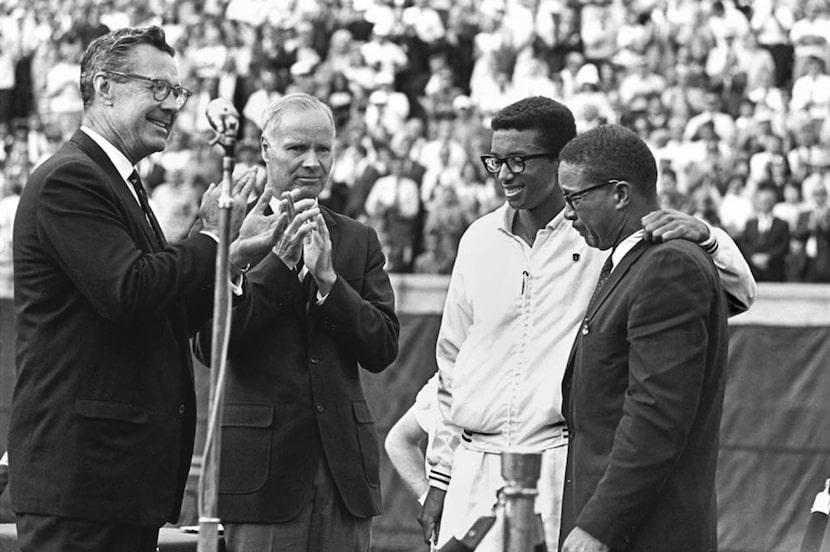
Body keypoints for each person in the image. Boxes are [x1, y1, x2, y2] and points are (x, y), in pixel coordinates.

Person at [418, 96, 756, 551]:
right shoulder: (477, 238)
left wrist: (710, 239)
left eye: (519, 160)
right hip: (473, 466)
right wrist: (441, 473)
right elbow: (451, 361)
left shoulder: (606, 232)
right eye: (495, 161)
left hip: (558, 467)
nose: (504, 173)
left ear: (561, 162)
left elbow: (734, 294)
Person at [9, 26, 286, 552]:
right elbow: (129, 290)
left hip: (116, 485)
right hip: (82, 485)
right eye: (156, 88)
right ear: (103, 87)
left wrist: (232, 255)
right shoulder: (71, 179)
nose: (172, 105)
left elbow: (165, 316)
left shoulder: (121, 183)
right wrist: (210, 238)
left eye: (176, 92)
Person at [195, 93, 400, 552]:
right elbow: (209, 344)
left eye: (323, 149)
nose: (312, 162)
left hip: (344, 477)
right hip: (261, 481)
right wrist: (278, 267)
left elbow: (383, 347)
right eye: (296, 148)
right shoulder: (227, 228)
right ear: (265, 148)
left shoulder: (357, 238)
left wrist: (329, 282)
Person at [557, 123, 729, 552]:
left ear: (619, 194)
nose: (568, 213)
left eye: (574, 198)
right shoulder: (634, 261)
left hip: (643, 532)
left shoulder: (668, 266)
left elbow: (656, 419)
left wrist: (599, 526)